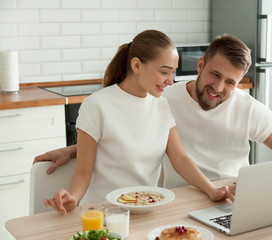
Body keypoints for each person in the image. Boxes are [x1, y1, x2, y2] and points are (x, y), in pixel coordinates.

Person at [35, 33, 272, 192]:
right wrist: (76, 149)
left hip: (227, 196)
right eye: (215, 75)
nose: (218, 88)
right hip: (176, 197)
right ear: (200, 65)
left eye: (230, 82)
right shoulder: (162, 96)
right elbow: (121, 126)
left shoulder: (247, 109)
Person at [43, 30, 234, 215]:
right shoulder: (97, 105)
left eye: (173, 72)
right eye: (164, 72)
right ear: (136, 66)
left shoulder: (162, 105)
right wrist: (73, 198)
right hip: (104, 212)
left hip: (148, 209)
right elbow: (83, 172)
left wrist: (211, 190)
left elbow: (181, 160)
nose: (170, 81)